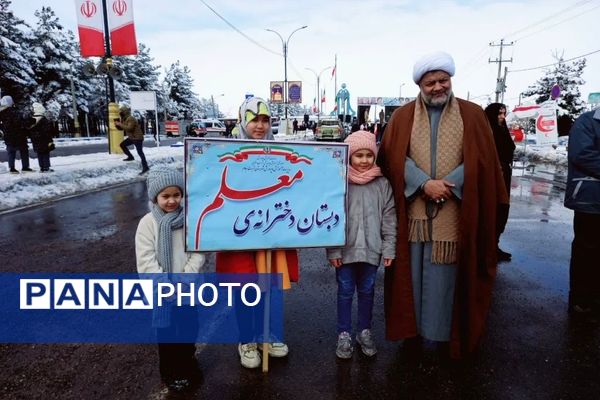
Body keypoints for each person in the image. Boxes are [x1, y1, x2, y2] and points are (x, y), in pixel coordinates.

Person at [377, 51, 508, 359]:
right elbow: (393, 158)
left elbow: (484, 161)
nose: (437, 87)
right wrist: (424, 182)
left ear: (451, 80)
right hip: (415, 216)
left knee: (447, 279)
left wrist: (449, 185)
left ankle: (448, 335)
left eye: (442, 80)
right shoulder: (402, 116)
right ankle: (413, 333)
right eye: (430, 82)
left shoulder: (473, 114)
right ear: (420, 85)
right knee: (413, 277)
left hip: (457, 213)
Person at [215, 97, 299, 369]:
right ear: (242, 121)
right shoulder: (225, 153)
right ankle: (247, 340)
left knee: (271, 288)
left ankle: (270, 335)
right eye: (254, 120)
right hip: (239, 235)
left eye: (265, 120)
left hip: (272, 232)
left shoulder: (279, 154)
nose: (260, 126)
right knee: (245, 287)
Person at [327, 130, 396, 359]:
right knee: (345, 292)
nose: (364, 160)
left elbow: (389, 218)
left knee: (367, 292)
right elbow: (330, 219)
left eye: (369, 155)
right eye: (358, 155)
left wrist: (389, 248)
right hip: (345, 252)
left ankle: (364, 331)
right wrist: (333, 250)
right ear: (349, 157)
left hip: (372, 250)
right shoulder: (339, 182)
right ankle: (344, 333)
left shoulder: (382, 184)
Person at [135, 167, 206, 392]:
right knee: (167, 334)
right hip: (162, 292)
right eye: (165, 196)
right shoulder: (148, 224)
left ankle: (188, 361)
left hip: (188, 289)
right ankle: (171, 372)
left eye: (176, 195)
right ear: (155, 197)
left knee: (189, 328)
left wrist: (186, 278)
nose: (172, 201)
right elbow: (145, 259)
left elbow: (198, 251)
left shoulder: (189, 220)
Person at [564, 108, 600, 316]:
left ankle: (595, 296)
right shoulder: (587, 121)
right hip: (590, 197)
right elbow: (582, 154)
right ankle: (581, 299)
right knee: (587, 249)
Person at [485, 103, 516, 262]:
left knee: (502, 209)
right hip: (491, 177)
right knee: (491, 211)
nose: (503, 117)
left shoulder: (503, 130)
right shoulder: (486, 132)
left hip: (505, 175)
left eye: (504, 113)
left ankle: (494, 246)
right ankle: (486, 249)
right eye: (499, 114)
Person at [0, 96, 33, 173]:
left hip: (8, 136)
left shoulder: (1, 113)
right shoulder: (14, 111)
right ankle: (25, 166)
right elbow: (20, 122)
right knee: (24, 151)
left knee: (11, 152)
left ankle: (12, 168)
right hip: (19, 134)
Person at [116, 105, 149, 174]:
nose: (120, 113)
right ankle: (130, 157)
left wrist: (120, 124)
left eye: (121, 112)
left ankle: (145, 167)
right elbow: (123, 128)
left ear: (124, 112)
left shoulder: (131, 118)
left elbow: (129, 128)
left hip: (137, 138)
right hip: (132, 137)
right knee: (122, 145)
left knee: (140, 152)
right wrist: (117, 125)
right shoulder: (125, 118)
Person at [28, 102, 55, 173]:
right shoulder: (43, 119)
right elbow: (48, 131)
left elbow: (29, 130)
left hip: (35, 140)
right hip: (44, 139)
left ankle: (42, 167)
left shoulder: (32, 119)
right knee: (45, 153)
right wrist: (50, 140)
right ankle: (46, 167)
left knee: (39, 153)